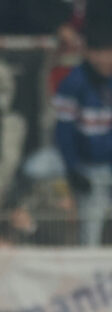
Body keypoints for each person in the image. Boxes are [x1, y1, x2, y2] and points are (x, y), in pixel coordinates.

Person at [55, 23, 112, 246]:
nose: (106, 59)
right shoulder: (73, 83)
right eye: (100, 52)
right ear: (88, 53)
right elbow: (64, 132)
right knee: (90, 234)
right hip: (89, 171)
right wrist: (73, 169)